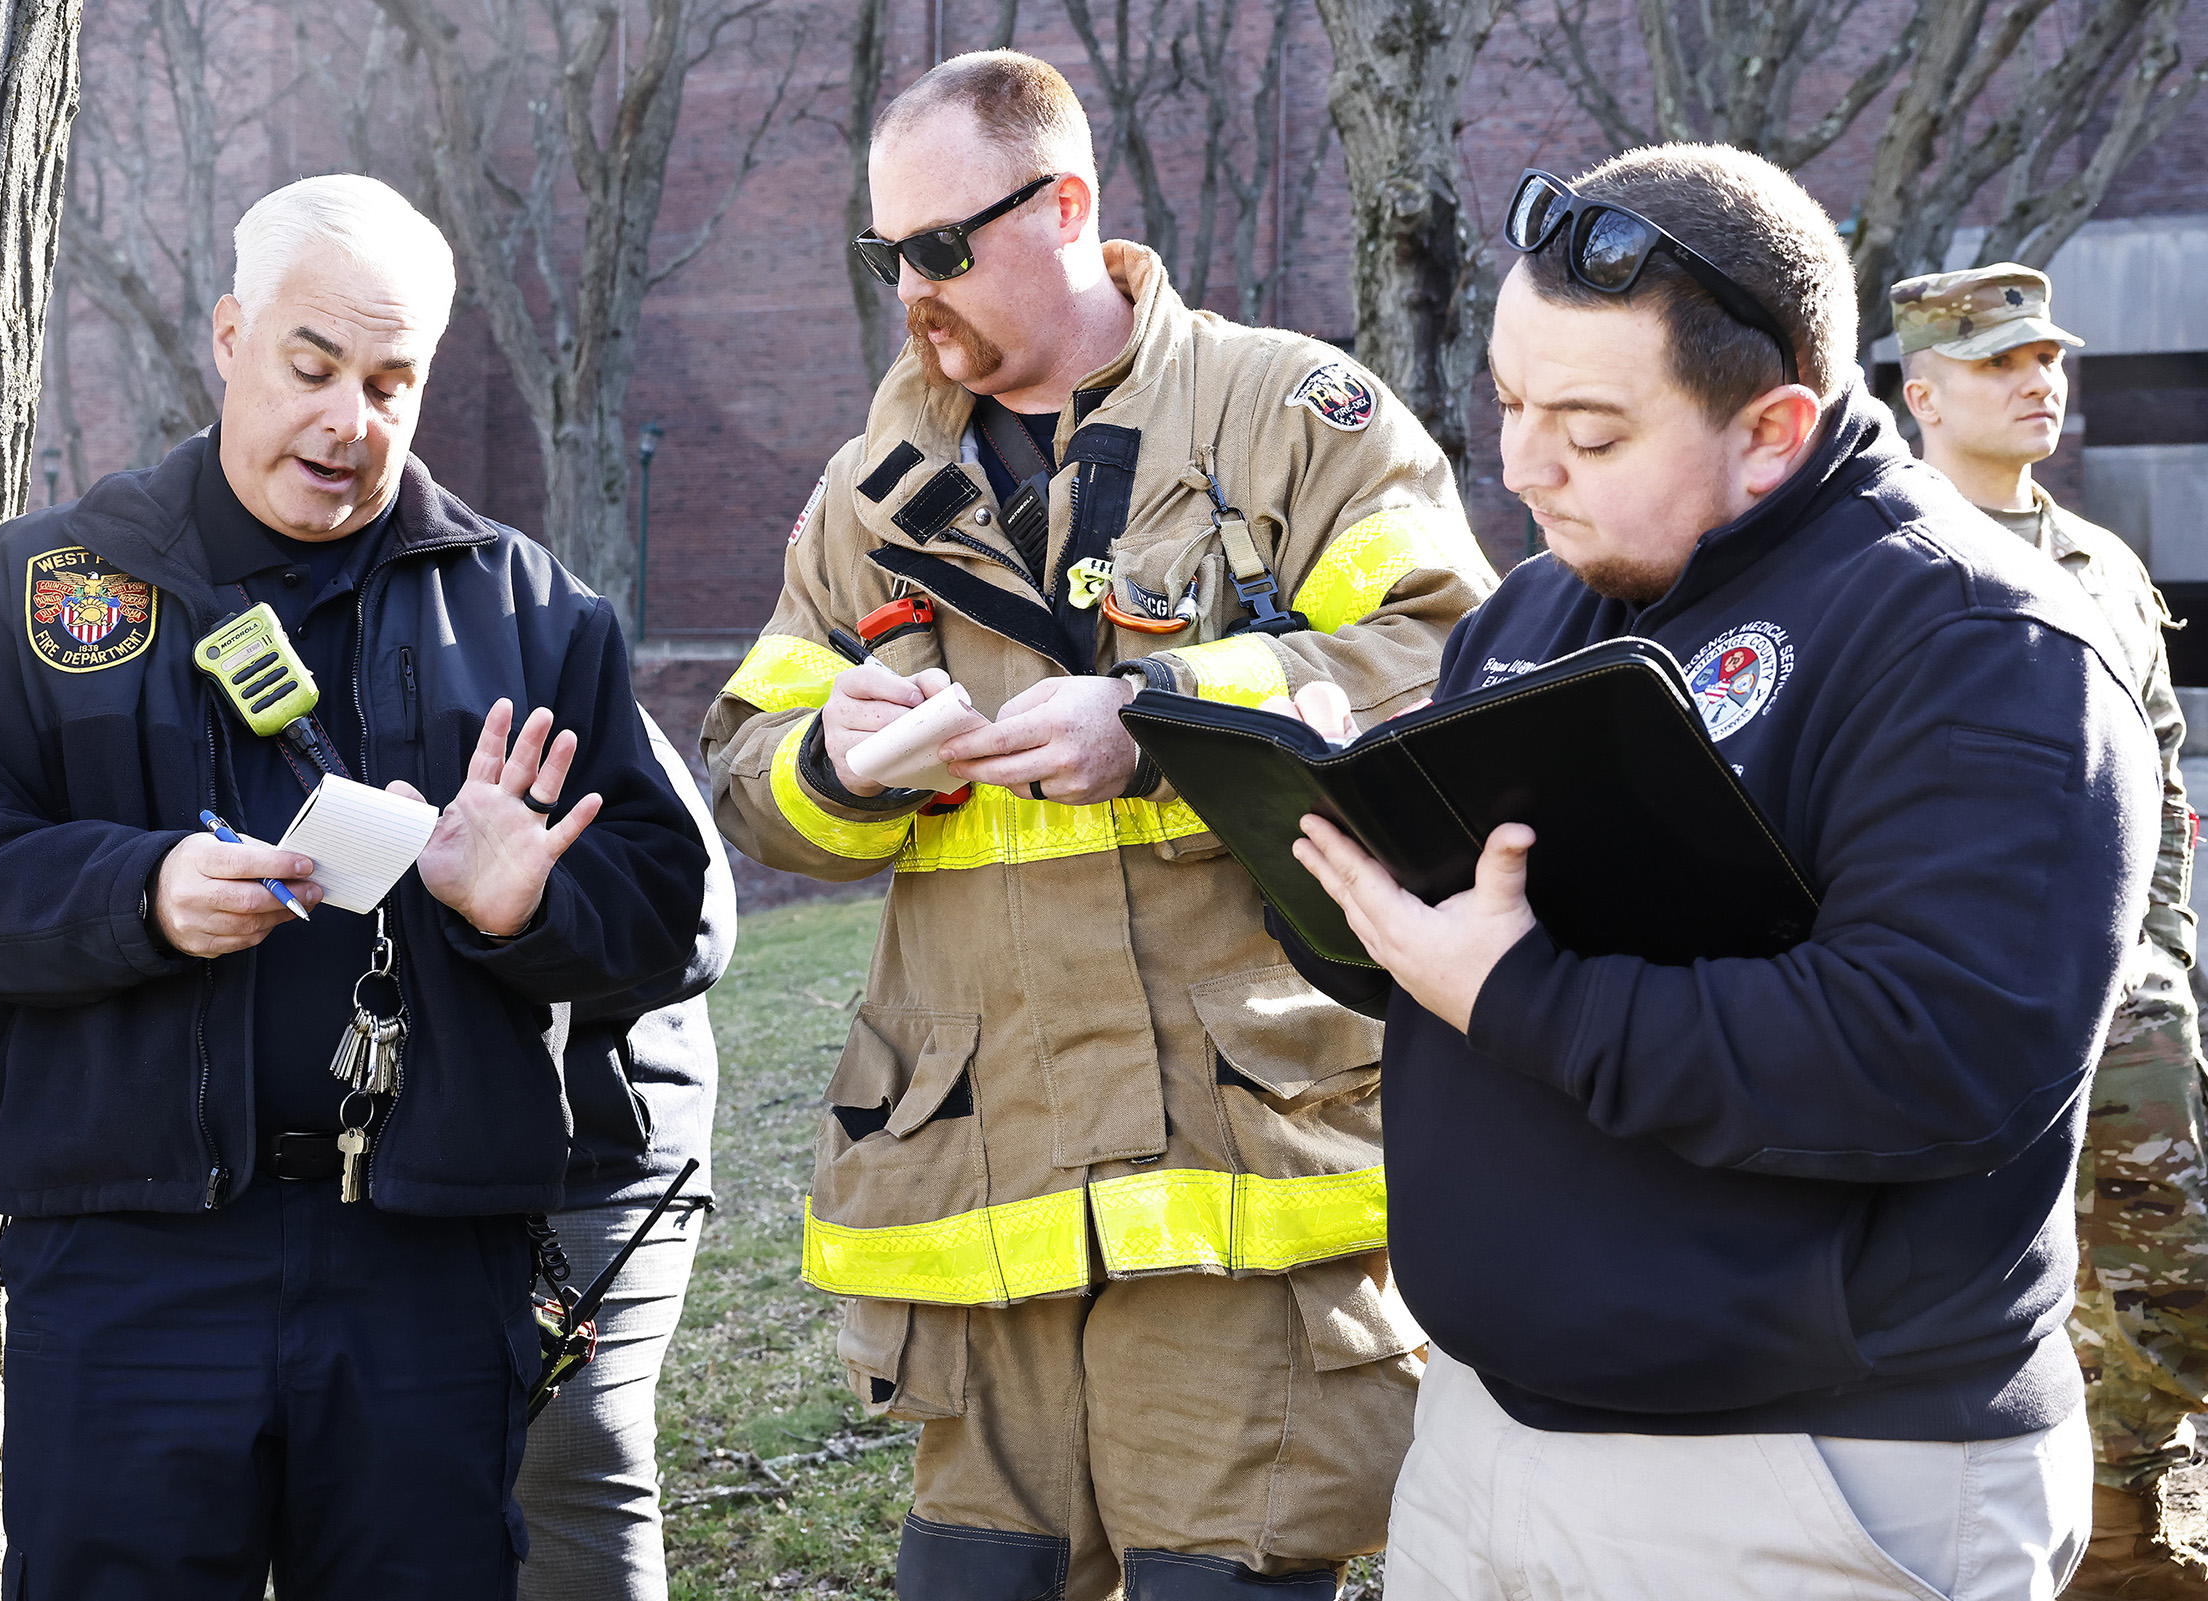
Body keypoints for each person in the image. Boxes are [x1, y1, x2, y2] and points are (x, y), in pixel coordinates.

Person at [1276, 145, 2157, 1600]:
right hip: (1487, 1437)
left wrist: (1526, 999)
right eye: (1507, 401)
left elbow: (1943, 1055)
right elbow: (1476, 954)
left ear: (1774, 433)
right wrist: (1332, 863)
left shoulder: (1983, 647)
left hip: (1807, 1479)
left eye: (1592, 429)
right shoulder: (1538, 614)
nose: (1524, 465)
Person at [703, 50, 1494, 1601]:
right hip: (977, 1211)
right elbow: (744, 765)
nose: (912, 292)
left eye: (943, 249)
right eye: (888, 256)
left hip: (1237, 1199)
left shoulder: (1293, 417)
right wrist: (842, 767)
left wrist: (1167, 714)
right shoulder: (869, 490)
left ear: (1067, 206)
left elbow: (1440, 660)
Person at [0, 174, 708, 1600]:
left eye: (392, 384)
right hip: (130, 1268)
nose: (349, 422)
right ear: (230, 336)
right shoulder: (37, 590)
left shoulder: (536, 619)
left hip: (429, 1277)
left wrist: (529, 911)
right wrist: (141, 894)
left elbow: (660, 917)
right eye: (314, 369)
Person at [1896, 262, 2208, 1599]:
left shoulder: (2101, 563)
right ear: (1920, 390)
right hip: (1937, 997)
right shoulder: (1878, 559)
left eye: (2050, 361)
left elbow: (2162, 777)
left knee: (2159, 1259)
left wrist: (2169, 959)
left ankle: (2124, 1527)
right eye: (2001, 363)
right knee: (1959, 1284)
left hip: (2119, 1005)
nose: (2041, 382)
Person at [516, 709, 735, 1601]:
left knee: (567, 1457)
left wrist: (505, 919)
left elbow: (694, 921)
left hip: (600, 1150)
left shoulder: (549, 636)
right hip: (394, 1154)